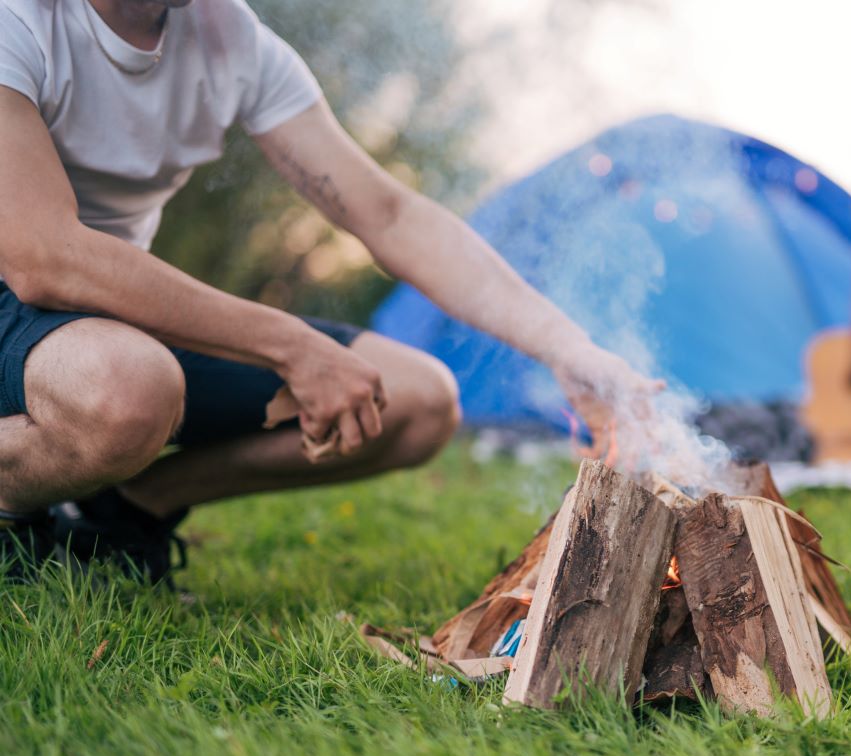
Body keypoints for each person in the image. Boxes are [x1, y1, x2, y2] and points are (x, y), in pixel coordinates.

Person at [0, 0, 657, 583]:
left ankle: (117, 516)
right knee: (128, 389)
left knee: (416, 400)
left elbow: (388, 213)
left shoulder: (232, 41)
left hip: (104, 319)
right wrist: (290, 345)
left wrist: (568, 348)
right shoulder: (19, 22)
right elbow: (45, 258)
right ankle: (14, 512)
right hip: (19, 298)